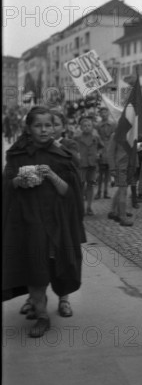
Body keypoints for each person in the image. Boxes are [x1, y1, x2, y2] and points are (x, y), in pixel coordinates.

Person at [2, 106, 85, 337]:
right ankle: (42, 315)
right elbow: (7, 186)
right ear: (28, 128)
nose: (44, 129)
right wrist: (19, 181)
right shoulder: (17, 154)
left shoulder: (63, 156)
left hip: (56, 225)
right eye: (38, 125)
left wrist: (51, 175)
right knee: (34, 270)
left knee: (55, 268)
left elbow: (70, 192)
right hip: (27, 222)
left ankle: (61, 300)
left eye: (48, 125)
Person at [74, 115, 104, 216]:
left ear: (92, 127)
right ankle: (81, 207)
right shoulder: (77, 138)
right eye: (85, 126)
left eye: (89, 125)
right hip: (82, 165)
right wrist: (76, 154)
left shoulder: (96, 137)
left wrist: (99, 153)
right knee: (81, 186)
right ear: (81, 127)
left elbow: (101, 146)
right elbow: (72, 148)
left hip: (92, 164)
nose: (87, 127)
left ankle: (89, 207)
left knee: (91, 185)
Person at [107, 131, 134, 227]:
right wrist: (112, 168)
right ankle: (122, 217)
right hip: (120, 166)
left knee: (121, 190)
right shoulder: (116, 135)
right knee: (123, 191)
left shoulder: (132, 133)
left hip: (129, 166)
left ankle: (114, 211)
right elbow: (110, 153)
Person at [94, 106, 115, 199]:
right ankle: (98, 192)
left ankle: (106, 191)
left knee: (107, 172)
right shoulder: (98, 125)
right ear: (100, 114)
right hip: (101, 148)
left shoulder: (113, 124)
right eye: (102, 112)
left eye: (105, 112)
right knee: (100, 172)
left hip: (110, 148)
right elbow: (97, 137)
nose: (103, 114)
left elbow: (115, 136)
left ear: (108, 113)